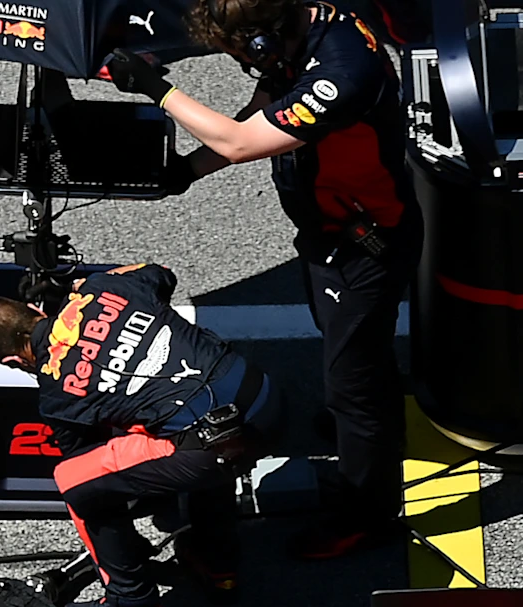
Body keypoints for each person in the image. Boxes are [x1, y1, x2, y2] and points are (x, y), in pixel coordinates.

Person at [107, 3, 413, 558]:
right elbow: (267, 109)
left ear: (260, 38)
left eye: (236, 51)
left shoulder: (343, 72)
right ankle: (364, 431)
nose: (240, 62)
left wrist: (157, 89)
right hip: (332, 231)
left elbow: (241, 142)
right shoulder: (300, 34)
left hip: (365, 243)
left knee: (352, 381)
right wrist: (186, 171)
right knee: (354, 363)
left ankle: (368, 515)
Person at [0, 265, 274, 607]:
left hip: (216, 443)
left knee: (76, 480)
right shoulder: (103, 288)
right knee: (175, 424)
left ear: (13, 362)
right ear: (36, 311)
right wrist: (77, 285)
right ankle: (217, 564)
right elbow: (161, 273)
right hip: (266, 398)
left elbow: (90, 468)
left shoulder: (56, 392)